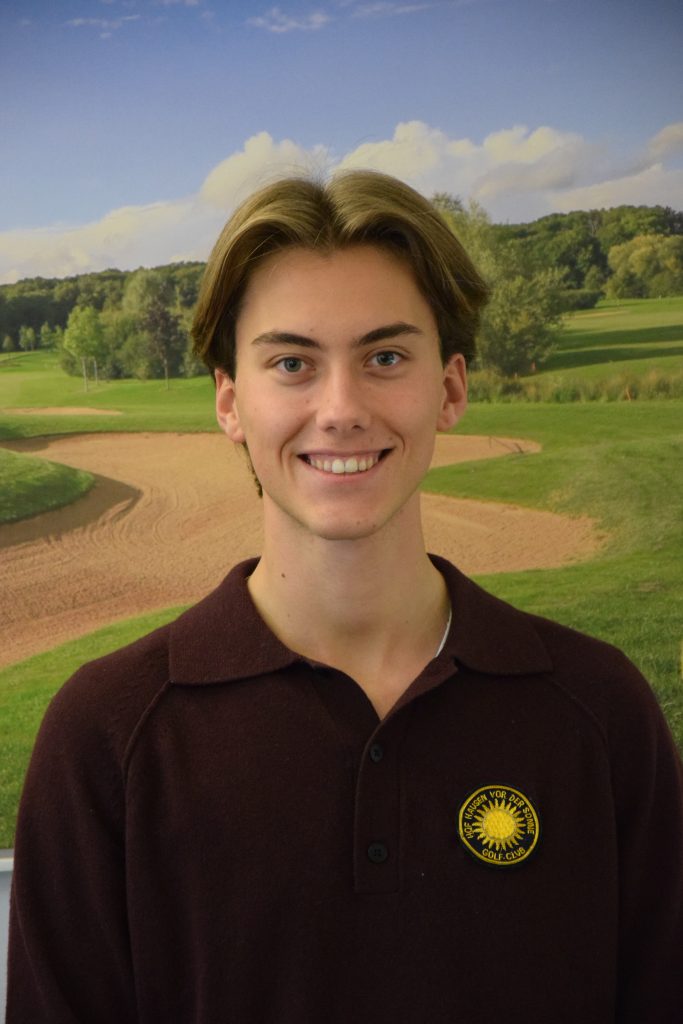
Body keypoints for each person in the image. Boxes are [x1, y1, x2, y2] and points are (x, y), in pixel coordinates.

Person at [7, 171, 683, 1023]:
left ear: (450, 389)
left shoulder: (598, 710)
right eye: (292, 363)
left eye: (385, 357)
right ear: (229, 402)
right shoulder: (105, 738)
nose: (340, 408)